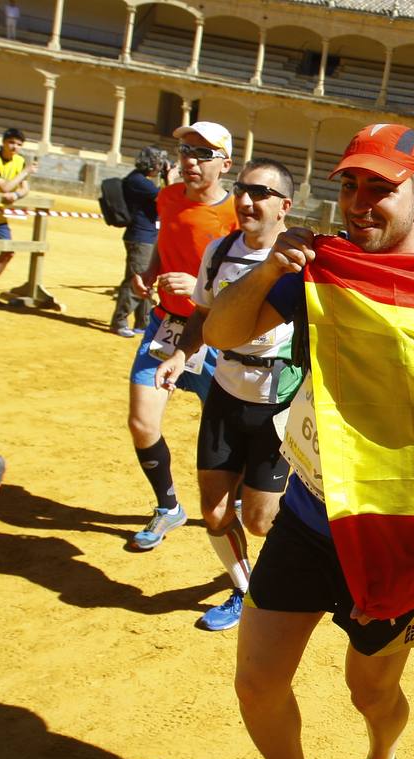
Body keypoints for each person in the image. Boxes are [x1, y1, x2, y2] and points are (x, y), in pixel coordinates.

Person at [204, 123, 414, 759]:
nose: (360, 201)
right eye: (350, 184)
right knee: (257, 679)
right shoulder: (316, 271)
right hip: (310, 516)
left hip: (396, 537)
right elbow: (223, 329)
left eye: (381, 187)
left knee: (371, 688)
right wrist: (273, 263)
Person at [153, 159, 299, 633]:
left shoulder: (301, 261)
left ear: (284, 207)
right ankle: (245, 588)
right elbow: (201, 314)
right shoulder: (218, 251)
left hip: (278, 401)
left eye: (261, 192)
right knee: (214, 509)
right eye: (242, 190)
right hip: (225, 389)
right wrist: (181, 355)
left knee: (259, 521)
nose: (246, 200)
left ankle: (298, 506)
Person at [125, 121, 237, 551]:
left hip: (217, 338)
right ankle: (168, 505)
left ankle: (243, 498)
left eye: (203, 154)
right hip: (166, 326)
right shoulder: (168, 196)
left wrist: (196, 286)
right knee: (141, 422)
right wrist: (151, 273)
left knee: (229, 440)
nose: (190, 160)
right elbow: (164, 240)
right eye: (186, 150)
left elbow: (244, 283)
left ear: (224, 165)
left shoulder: (235, 216)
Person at [111, 146, 173, 337]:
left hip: (147, 236)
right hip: (140, 237)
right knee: (136, 279)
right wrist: (169, 178)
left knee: (146, 278)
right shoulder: (137, 180)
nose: (161, 166)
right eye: (159, 162)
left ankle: (143, 321)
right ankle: (119, 321)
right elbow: (166, 199)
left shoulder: (141, 180)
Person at [0, 127, 42, 289]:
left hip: (0, 216)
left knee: (8, 251)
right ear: (3, 143)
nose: (15, 147)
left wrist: (16, 196)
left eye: (19, 144)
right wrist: (26, 172)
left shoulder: (20, 161)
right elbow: (6, 187)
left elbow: (25, 189)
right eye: (11, 142)